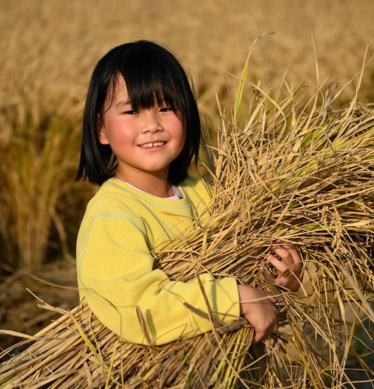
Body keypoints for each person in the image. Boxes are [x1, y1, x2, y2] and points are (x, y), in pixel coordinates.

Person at [75, 40, 303, 346]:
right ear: (101, 129)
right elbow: (139, 310)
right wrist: (232, 297)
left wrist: (284, 279)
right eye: (131, 111)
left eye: (166, 108)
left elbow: (254, 294)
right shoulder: (112, 216)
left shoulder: (204, 194)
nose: (152, 125)